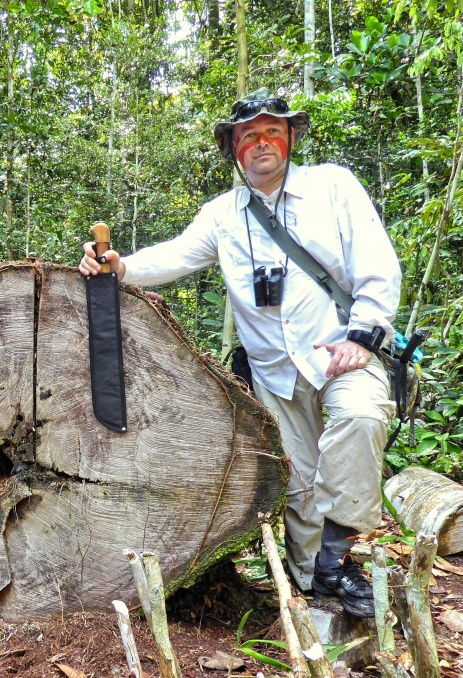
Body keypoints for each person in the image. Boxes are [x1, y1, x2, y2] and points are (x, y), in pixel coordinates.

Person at [79, 89, 401, 619]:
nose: (262, 143)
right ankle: (313, 590)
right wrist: (120, 266)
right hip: (274, 372)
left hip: (341, 353)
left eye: (273, 131)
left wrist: (363, 333)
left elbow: (376, 263)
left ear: (291, 137)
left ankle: (338, 561)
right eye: (248, 135)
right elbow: (177, 254)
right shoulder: (224, 214)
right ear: (234, 149)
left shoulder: (333, 187)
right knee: (296, 481)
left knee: (361, 418)